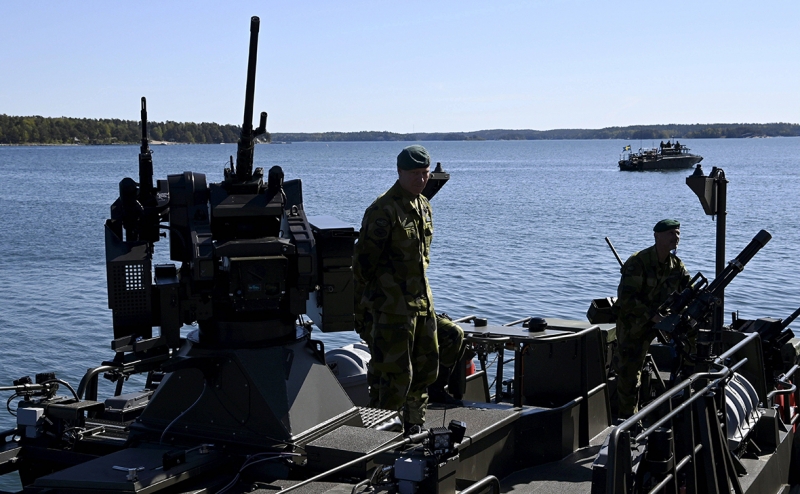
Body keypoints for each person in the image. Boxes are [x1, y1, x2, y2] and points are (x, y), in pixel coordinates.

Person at [353, 144, 439, 431]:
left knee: (425, 370)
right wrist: (364, 310)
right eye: (414, 173)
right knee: (393, 377)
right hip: (391, 308)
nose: (421, 179)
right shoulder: (383, 209)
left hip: (421, 302)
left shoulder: (423, 205)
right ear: (400, 172)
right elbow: (363, 265)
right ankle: (383, 435)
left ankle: (414, 426)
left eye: (425, 173)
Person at [611, 219, 691, 418]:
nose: (676, 237)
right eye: (671, 233)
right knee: (629, 374)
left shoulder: (676, 265)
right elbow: (627, 300)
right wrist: (653, 317)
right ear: (657, 236)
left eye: (678, 233)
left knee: (690, 348)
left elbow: (688, 291)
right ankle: (628, 420)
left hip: (661, 321)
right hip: (634, 324)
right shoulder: (638, 262)